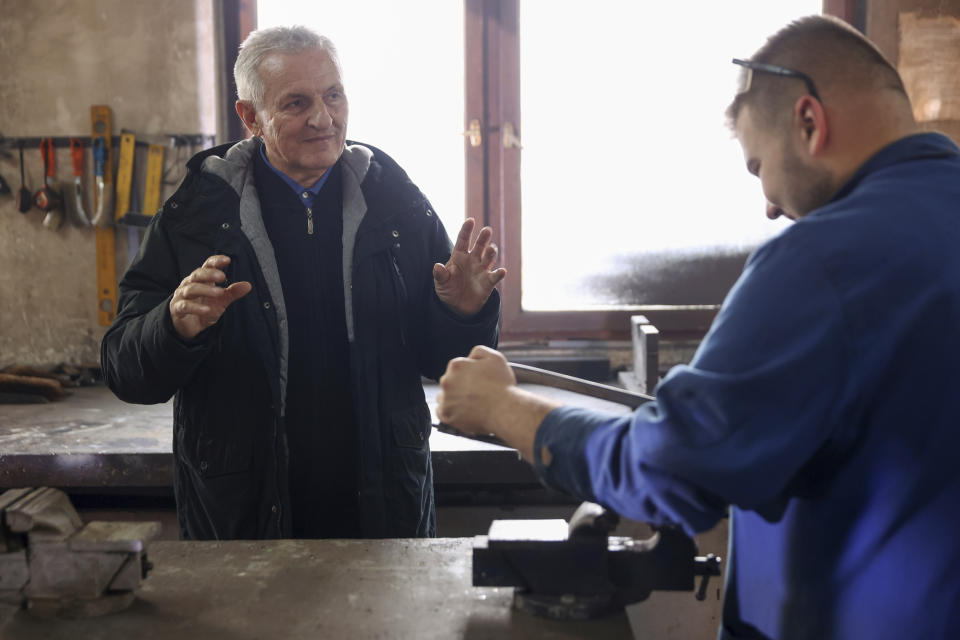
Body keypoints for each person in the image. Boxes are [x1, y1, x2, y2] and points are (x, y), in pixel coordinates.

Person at [437, 15, 960, 640]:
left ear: (810, 123)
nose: (768, 205)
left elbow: (675, 471)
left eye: (758, 165)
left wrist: (504, 408)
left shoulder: (825, 259)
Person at [101, 25, 505, 541]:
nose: (323, 118)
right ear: (250, 117)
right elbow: (124, 370)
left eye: (333, 95)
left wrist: (462, 313)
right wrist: (173, 327)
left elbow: (445, 363)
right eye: (296, 103)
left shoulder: (395, 205)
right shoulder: (197, 216)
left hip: (382, 507)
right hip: (243, 512)